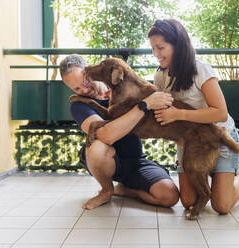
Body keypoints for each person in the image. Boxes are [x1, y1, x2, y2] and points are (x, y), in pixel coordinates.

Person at [147, 19, 239, 214]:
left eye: (160, 47)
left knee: (221, 206)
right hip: (191, 141)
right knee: (189, 202)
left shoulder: (200, 69)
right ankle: (214, 175)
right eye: (152, 48)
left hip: (220, 137)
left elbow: (220, 112)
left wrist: (178, 114)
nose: (155, 54)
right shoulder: (160, 76)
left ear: (178, 44)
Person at [59, 54, 179, 210]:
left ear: (90, 70)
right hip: (105, 160)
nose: (84, 90)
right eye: (76, 88)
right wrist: (144, 105)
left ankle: (124, 190)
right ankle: (106, 190)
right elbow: (105, 135)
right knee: (97, 146)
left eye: (85, 82)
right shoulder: (79, 105)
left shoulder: (124, 85)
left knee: (169, 196)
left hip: (135, 160)